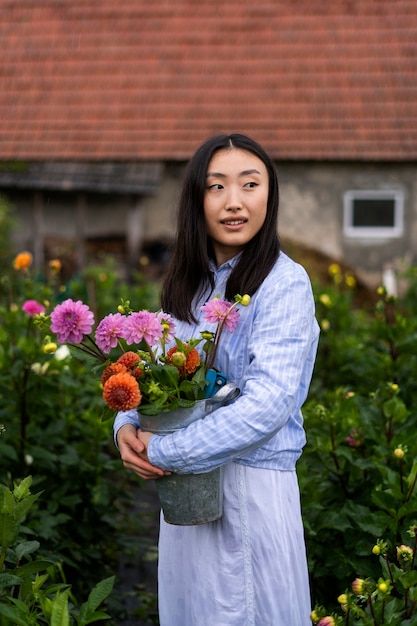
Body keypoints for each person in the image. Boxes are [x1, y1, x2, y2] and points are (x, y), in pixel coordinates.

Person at [114, 133, 320, 625]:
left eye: (251, 185)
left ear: (269, 197)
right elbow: (155, 371)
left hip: (248, 495)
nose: (234, 202)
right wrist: (125, 422)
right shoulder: (191, 283)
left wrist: (160, 452)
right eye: (217, 187)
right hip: (185, 504)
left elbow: (268, 405)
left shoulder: (284, 284)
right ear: (196, 199)